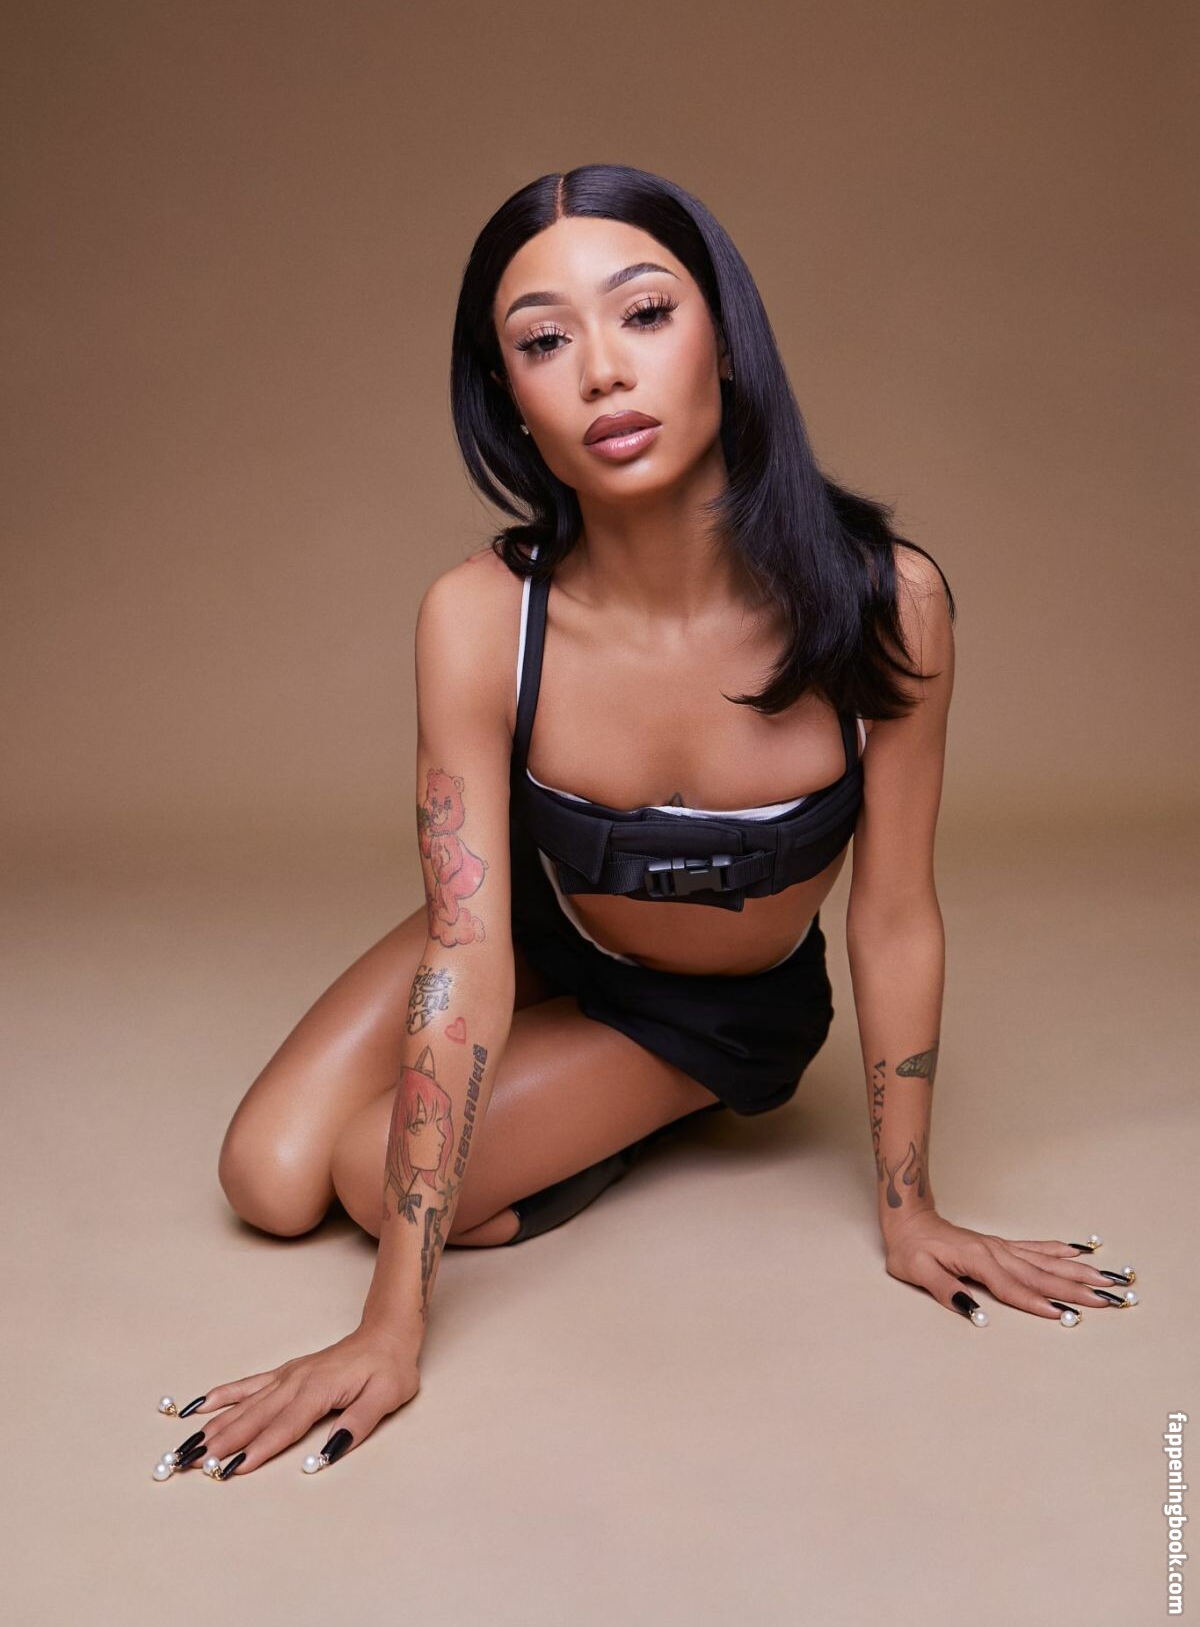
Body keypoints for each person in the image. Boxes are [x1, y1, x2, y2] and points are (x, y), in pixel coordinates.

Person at [158, 164, 1136, 1485]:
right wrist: (388, 1330)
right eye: (544, 341)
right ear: (509, 394)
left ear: (725, 340)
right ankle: (563, 1091)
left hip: (714, 1010)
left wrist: (913, 1215)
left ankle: (649, 1106)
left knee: (357, 1174)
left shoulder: (885, 602)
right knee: (268, 1180)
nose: (604, 372)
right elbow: (467, 942)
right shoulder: (478, 616)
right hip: (533, 925)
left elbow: (896, 913)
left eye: (646, 314)